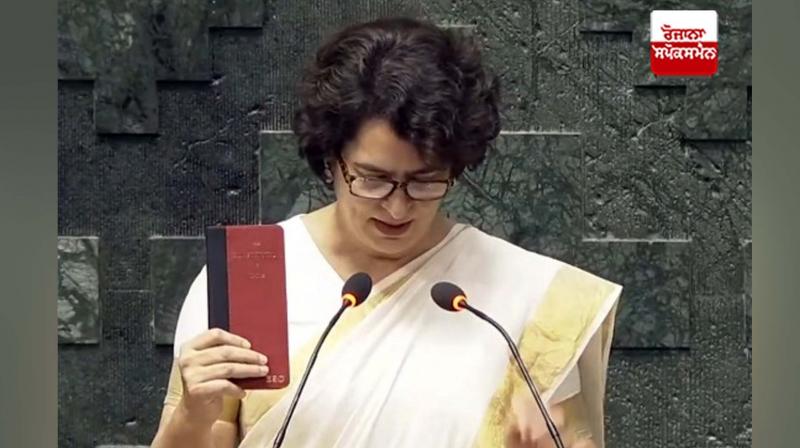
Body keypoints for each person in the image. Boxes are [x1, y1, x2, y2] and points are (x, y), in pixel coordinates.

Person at [151, 16, 621, 448]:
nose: (397, 208)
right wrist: (193, 413)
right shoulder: (253, 274)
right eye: (373, 179)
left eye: (424, 180)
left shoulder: (527, 298)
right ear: (330, 160)